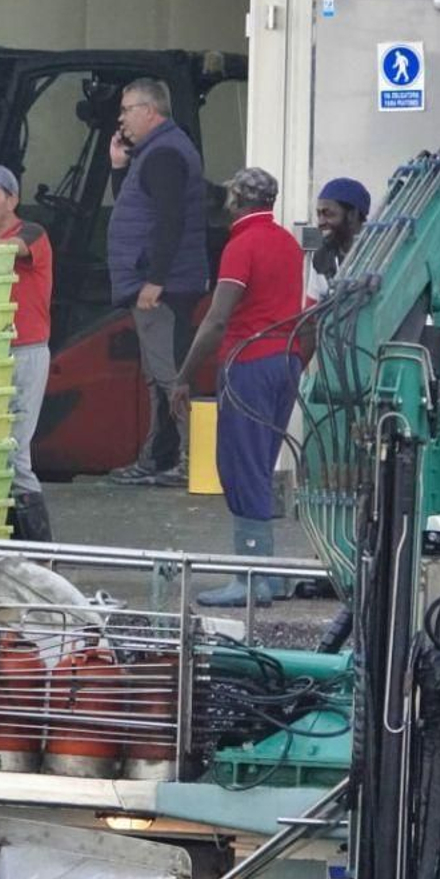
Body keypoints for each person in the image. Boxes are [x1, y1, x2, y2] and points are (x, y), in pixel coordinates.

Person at [171, 168, 304, 607]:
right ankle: (265, 571)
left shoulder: (240, 245)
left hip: (249, 362)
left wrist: (184, 374)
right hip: (286, 360)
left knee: (240, 467)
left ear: (236, 201)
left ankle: (251, 578)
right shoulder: (286, 242)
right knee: (260, 464)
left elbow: (218, 318)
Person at [105, 78, 209, 487]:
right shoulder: (154, 153)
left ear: (150, 111)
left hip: (161, 288)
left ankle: (188, 462)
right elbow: (138, 209)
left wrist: (154, 280)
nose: (121, 118)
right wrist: (119, 166)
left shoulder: (164, 154)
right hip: (160, 282)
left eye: (127, 109)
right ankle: (159, 458)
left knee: (168, 376)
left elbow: (170, 222)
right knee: (158, 375)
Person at [0, 164, 54, 542]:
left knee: (15, 454)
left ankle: (41, 556)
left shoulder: (31, 234)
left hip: (26, 353)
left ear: (13, 199)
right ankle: (11, 550)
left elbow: (9, 249)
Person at [306, 177, 371, 303]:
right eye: (318, 214)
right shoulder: (321, 254)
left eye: (328, 214)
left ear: (352, 215)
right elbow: (311, 311)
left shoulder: (375, 253)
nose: (320, 222)